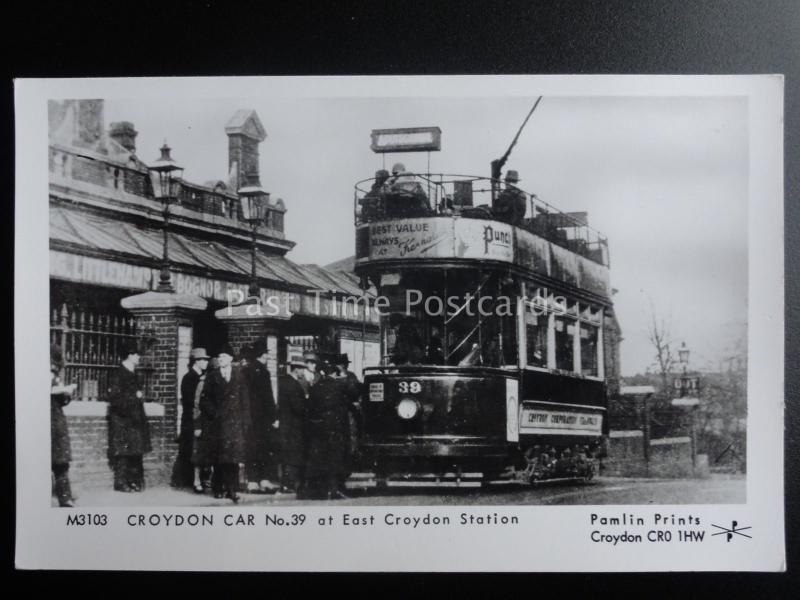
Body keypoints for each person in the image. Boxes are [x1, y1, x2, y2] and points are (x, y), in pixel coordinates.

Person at [200, 344, 252, 503]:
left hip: (235, 423)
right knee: (219, 458)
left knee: (233, 458)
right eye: (219, 357)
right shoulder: (212, 376)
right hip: (218, 423)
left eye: (223, 357)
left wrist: (246, 421)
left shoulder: (239, 376)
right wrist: (215, 413)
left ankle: (232, 490)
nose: (220, 359)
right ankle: (218, 488)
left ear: (230, 359)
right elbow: (204, 400)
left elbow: (245, 400)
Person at [107, 342, 151, 492]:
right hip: (123, 420)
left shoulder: (134, 373)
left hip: (135, 420)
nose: (139, 357)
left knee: (135, 452)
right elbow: (115, 399)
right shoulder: (119, 374)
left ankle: (134, 481)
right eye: (136, 354)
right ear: (130, 356)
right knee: (124, 453)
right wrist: (135, 397)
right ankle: (121, 483)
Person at [304, 358, 351, 499]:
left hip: (319, 426)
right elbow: (345, 404)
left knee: (321, 457)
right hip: (336, 426)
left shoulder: (315, 388)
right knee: (336, 456)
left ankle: (321, 490)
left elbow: (310, 408)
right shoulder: (339, 386)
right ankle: (336, 488)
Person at [171, 347, 210, 490]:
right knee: (192, 449)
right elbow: (190, 401)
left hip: (199, 418)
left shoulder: (203, 376)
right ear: (196, 361)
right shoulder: (189, 378)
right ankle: (190, 481)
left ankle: (200, 479)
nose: (206, 362)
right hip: (191, 419)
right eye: (203, 360)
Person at [245, 338, 279, 493]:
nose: (267, 357)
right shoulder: (264, 372)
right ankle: (262, 479)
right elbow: (268, 396)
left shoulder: (245, 370)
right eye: (266, 354)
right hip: (262, 418)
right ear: (261, 354)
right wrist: (273, 416)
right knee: (263, 448)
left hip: (250, 416)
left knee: (252, 447)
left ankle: (252, 480)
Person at [51, 344, 77, 507]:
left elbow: (59, 399)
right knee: (58, 461)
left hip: (56, 419)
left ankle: (65, 498)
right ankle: (64, 498)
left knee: (60, 462)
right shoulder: (48, 374)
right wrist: (65, 389)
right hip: (50, 421)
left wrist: (66, 394)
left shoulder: (54, 375)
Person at [278, 359, 309, 494]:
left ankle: (286, 483)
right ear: (296, 369)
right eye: (302, 369)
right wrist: (307, 404)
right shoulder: (293, 384)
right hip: (294, 424)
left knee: (287, 454)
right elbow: (298, 407)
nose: (303, 372)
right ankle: (289, 483)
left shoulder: (284, 382)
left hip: (285, 422)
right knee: (293, 455)